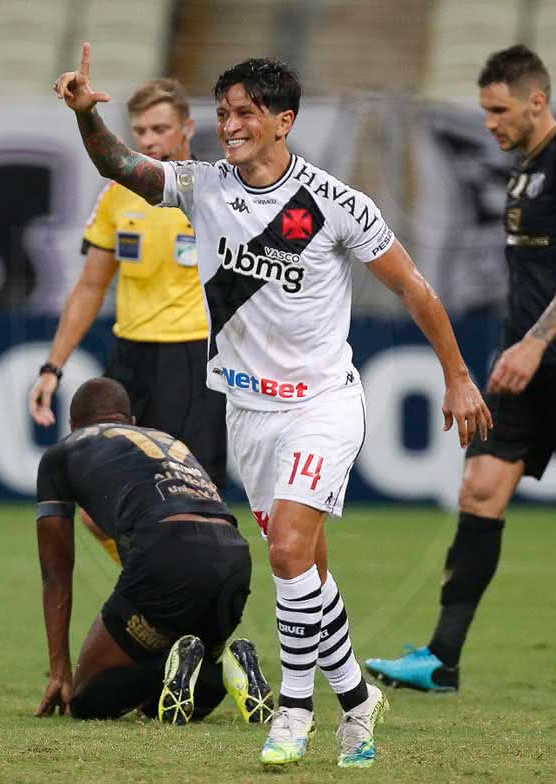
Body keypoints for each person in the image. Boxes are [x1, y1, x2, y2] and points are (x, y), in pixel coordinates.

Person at [54, 45, 492, 768]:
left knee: (287, 549)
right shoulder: (201, 186)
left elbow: (415, 287)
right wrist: (84, 120)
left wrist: (457, 376)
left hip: (323, 403)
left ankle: (294, 711)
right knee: (306, 569)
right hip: (250, 411)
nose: (228, 125)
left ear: (283, 120)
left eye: (245, 113)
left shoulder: (336, 204)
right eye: (222, 113)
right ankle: (355, 698)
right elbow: (118, 167)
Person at [364, 45, 556, 697]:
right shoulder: (523, 166)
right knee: (480, 489)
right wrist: (518, 347)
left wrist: (531, 343)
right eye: (483, 111)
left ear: (537, 102)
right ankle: (441, 659)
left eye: (498, 110)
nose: (488, 123)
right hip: (522, 363)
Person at [33, 377, 274, 725]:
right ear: (130, 421)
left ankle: (180, 663)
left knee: (87, 701)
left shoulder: (63, 452)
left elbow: (55, 572)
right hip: (234, 557)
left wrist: (60, 672)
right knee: (164, 706)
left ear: (73, 426)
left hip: (167, 549)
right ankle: (229, 669)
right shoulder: (167, 440)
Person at [28, 77, 228, 491]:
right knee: (98, 500)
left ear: (187, 129)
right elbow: (89, 288)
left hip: (193, 358)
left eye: (160, 129)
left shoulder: (214, 192)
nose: (149, 140)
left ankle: (186, 555)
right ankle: (147, 560)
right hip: (130, 359)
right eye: (140, 131)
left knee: (191, 495)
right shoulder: (117, 196)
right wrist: (52, 368)